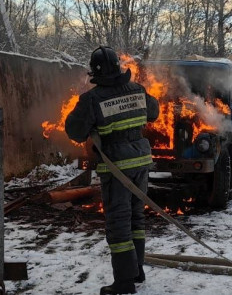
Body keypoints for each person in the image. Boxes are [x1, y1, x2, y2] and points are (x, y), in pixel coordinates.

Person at [66, 46, 159, 295]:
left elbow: (74, 131)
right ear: (118, 68)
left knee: (118, 224)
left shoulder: (92, 99)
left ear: (95, 72)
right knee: (135, 218)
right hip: (141, 162)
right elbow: (154, 112)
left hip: (117, 169)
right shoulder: (138, 90)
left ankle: (124, 282)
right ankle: (137, 270)